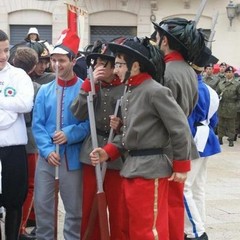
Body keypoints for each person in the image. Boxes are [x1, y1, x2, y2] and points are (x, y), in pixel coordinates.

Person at [89, 37, 192, 240]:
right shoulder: (130, 93)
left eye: (119, 64)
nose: (116, 70)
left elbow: (179, 128)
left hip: (151, 169)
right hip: (132, 169)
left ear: (135, 65)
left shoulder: (156, 91)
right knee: (130, 228)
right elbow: (130, 135)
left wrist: (181, 166)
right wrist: (108, 151)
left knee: (148, 230)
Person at [32, 29, 89, 240]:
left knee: (74, 211)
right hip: (47, 160)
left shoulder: (85, 89)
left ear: (73, 60)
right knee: (44, 208)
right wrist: (47, 150)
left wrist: (69, 133)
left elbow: (89, 124)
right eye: (53, 60)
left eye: (62, 60)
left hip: (72, 158)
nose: (57, 65)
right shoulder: (45, 90)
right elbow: (37, 124)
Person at [152, 18, 205, 240]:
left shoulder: (168, 71)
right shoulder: (187, 69)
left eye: (157, 38)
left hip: (165, 147)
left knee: (165, 209)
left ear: (164, 41)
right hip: (177, 144)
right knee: (174, 206)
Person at [71, 39, 126, 239]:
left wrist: (120, 125)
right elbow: (77, 112)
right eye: (97, 63)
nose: (99, 68)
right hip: (92, 152)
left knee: (118, 210)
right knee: (89, 206)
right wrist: (89, 85)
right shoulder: (91, 85)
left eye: (104, 64)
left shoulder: (127, 89)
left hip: (116, 155)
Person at [184, 46, 221, 240]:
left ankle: (195, 231)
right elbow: (214, 121)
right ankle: (199, 223)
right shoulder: (210, 90)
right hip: (206, 137)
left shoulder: (192, 89)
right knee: (198, 187)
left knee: (184, 187)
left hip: (193, 138)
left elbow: (187, 119)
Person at [0, 29, 34, 240]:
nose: (3, 56)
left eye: (5, 50)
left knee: (14, 201)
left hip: (13, 149)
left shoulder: (18, 75)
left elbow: (24, 104)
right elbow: (15, 106)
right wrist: (9, 110)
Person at [12, 46, 40, 240]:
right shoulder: (35, 88)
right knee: (30, 185)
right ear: (32, 68)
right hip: (29, 140)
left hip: (9, 138)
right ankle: (20, 227)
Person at [216, 66, 240, 147]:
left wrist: (236, 106)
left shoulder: (237, 84)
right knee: (221, 123)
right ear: (225, 73)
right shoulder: (221, 83)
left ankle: (231, 139)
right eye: (227, 72)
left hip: (232, 106)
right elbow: (216, 94)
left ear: (233, 73)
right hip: (222, 105)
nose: (229, 74)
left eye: (230, 72)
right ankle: (220, 138)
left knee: (231, 125)